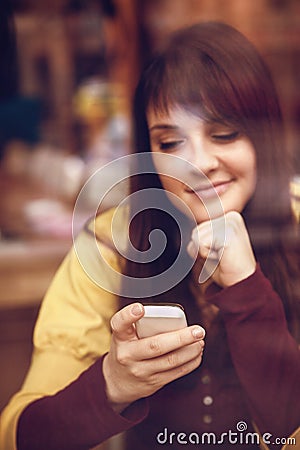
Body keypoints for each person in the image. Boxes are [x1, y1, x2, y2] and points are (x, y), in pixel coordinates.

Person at [1, 21, 299, 450]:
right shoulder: (111, 243)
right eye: (171, 143)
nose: (197, 163)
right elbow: (19, 437)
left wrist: (247, 289)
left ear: (265, 135)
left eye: (224, 134)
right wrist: (111, 384)